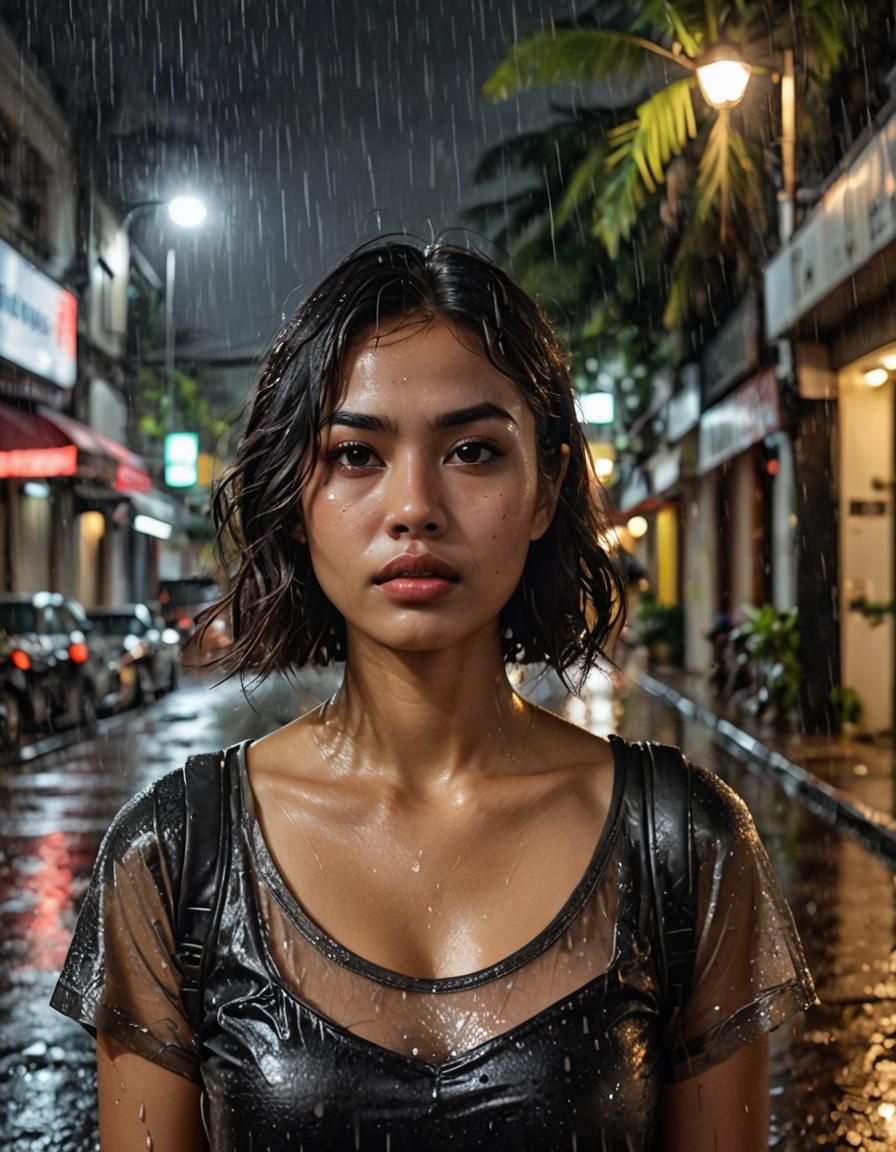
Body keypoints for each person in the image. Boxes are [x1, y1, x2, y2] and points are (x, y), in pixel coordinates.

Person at [51, 240, 817, 1151]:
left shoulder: (684, 848)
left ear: (545, 489)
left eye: (471, 450)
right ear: (297, 498)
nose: (414, 505)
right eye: (355, 454)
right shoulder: (176, 861)